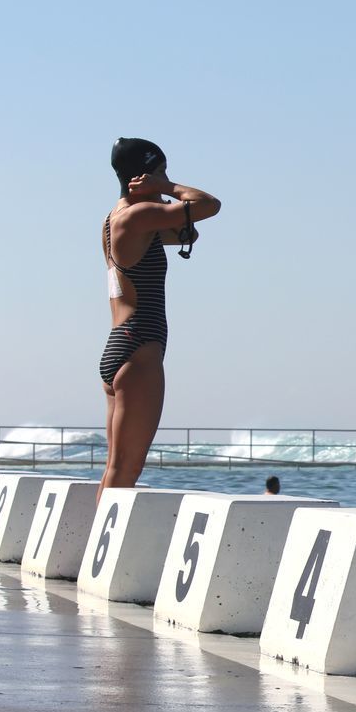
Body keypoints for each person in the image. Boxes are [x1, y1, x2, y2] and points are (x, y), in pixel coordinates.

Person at [97, 138, 220, 503]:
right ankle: (100, 555)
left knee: (115, 467)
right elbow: (208, 205)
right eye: (162, 170)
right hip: (141, 349)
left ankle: (93, 549)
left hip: (120, 345)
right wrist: (165, 188)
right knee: (126, 469)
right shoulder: (137, 217)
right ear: (144, 174)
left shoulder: (116, 219)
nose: (167, 179)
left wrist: (162, 198)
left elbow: (188, 230)